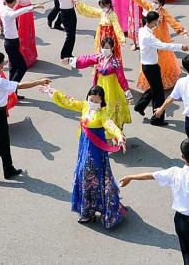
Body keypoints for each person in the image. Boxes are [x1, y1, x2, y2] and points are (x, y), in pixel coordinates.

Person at [119, 137, 189, 264]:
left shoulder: (174, 172)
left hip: (179, 222)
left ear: (182, 156)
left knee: (188, 255)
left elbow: (151, 175)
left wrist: (130, 177)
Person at [45, 84, 128, 228]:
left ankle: (91, 210)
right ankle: (87, 211)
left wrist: (119, 136)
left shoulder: (102, 114)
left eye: (97, 101)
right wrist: (52, 92)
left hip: (95, 151)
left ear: (102, 102)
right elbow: (68, 101)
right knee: (83, 175)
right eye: (91, 100)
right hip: (83, 148)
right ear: (87, 98)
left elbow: (110, 125)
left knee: (87, 175)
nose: (93, 103)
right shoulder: (84, 106)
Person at [0, 52, 51, 181]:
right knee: (1, 145)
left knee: (5, 141)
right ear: (0, 65)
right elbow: (20, 85)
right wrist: (39, 82)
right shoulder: (0, 81)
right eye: (3, 61)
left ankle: (8, 169)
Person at [67, 36, 133, 133]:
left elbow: (121, 78)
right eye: (103, 47)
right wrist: (70, 60)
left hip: (111, 90)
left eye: (107, 48)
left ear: (112, 48)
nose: (105, 50)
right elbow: (87, 59)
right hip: (100, 87)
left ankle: (115, 133)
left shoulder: (116, 62)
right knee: (99, 109)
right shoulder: (100, 57)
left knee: (111, 111)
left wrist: (127, 93)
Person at [134, 10, 189, 125]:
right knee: (159, 94)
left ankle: (140, 105)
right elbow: (164, 45)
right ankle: (157, 119)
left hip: (149, 65)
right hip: (151, 67)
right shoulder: (149, 37)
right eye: (156, 22)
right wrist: (180, 46)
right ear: (153, 22)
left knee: (155, 88)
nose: (157, 24)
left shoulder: (142, 30)